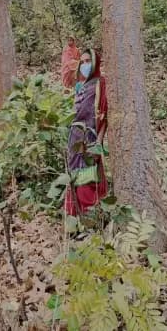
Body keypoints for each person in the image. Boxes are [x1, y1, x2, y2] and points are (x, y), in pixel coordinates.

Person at [65, 49, 109, 216]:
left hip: (90, 138)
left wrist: (98, 142)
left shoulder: (100, 83)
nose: (84, 65)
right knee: (75, 177)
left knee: (88, 178)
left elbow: (104, 116)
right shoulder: (81, 86)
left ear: (96, 63)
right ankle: (74, 216)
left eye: (88, 61)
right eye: (82, 62)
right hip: (75, 139)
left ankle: (90, 218)